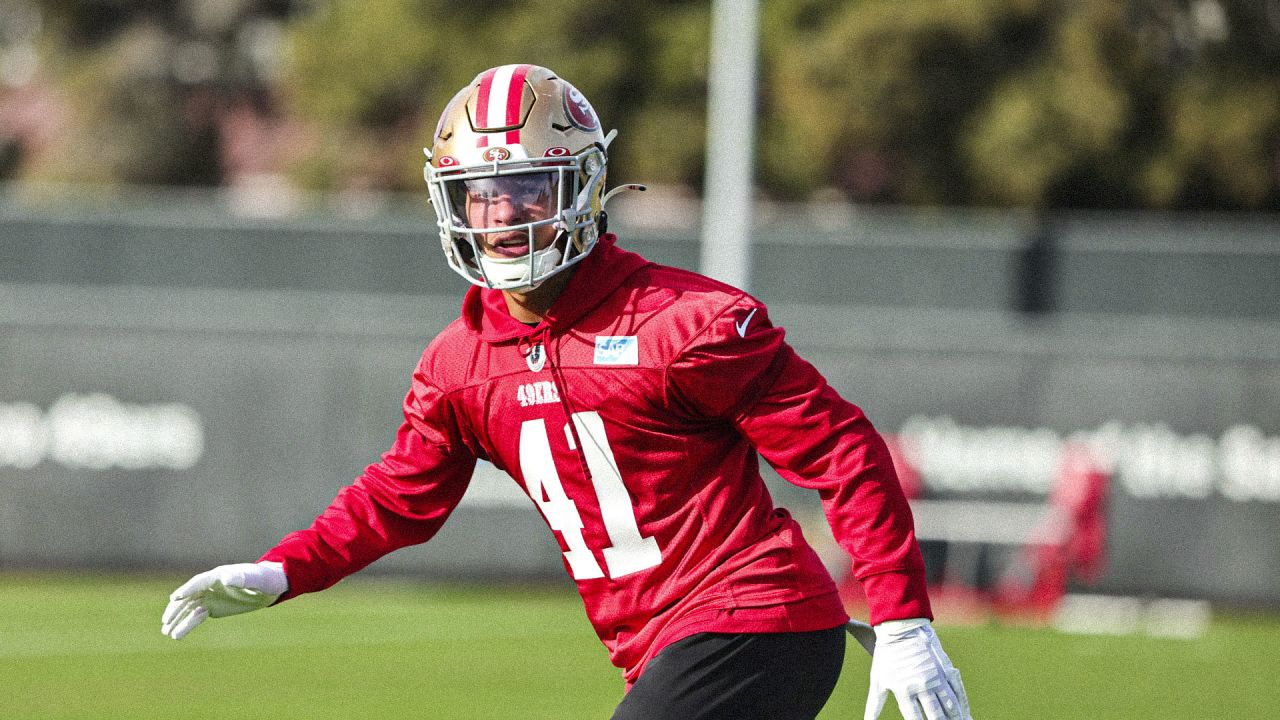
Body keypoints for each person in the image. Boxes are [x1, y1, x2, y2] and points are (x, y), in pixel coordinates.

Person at [161, 64, 974, 720]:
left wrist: (903, 618)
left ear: (582, 188)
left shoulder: (682, 322)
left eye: (527, 190)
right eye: (484, 193)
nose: (504, 217)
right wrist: (283, 571)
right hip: (659, 649)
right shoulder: (462, 362)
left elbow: (842, 450)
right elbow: (398, 497)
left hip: (758, 620)